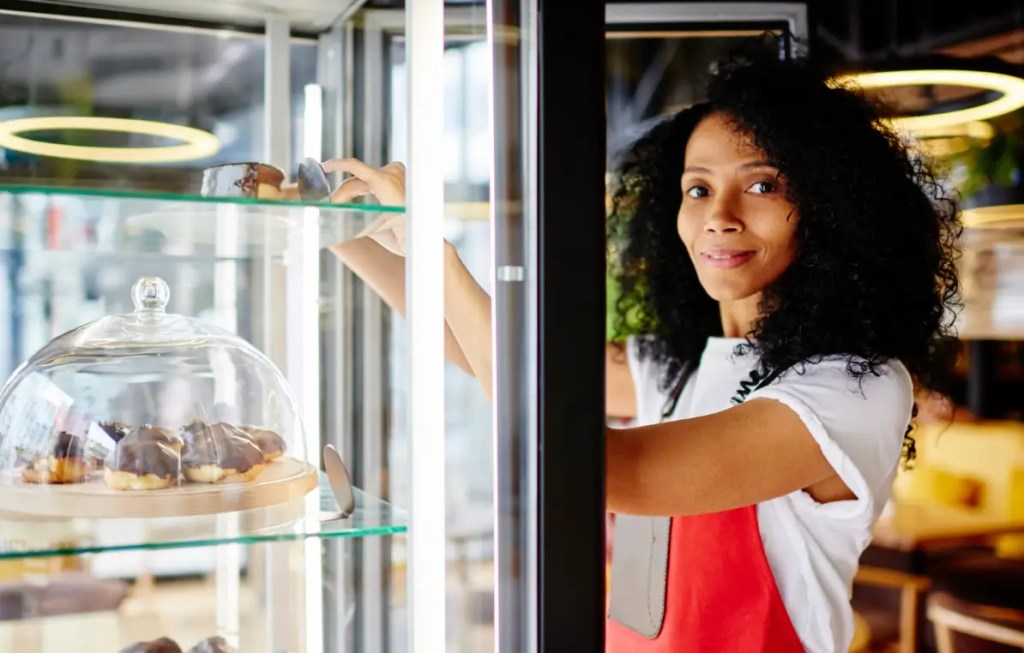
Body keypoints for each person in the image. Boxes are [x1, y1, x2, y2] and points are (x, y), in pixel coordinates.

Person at [322, 53, 960, 653]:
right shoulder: (677, 362)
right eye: (698, 189)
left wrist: (437, 256)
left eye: (763, 185)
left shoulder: (854, 385)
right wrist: (346, 238)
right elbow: (487, 353)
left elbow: (602, 470)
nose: (720, 216)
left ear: (831, 209)